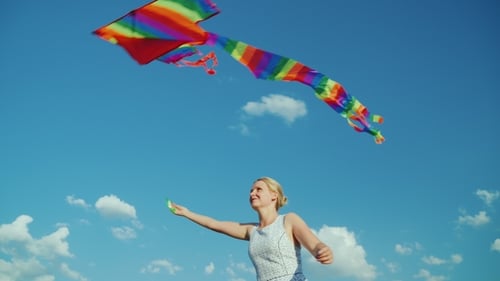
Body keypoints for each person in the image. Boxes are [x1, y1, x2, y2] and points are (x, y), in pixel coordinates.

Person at [170, 176, 333, 281]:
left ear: (274, 196)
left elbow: (314, 244)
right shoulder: (251, 230)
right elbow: (215, 224)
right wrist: (187, 213)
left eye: (258, 189)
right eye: (251, 191)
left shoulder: (288, 220)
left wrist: (323, 250)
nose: (252, 193)